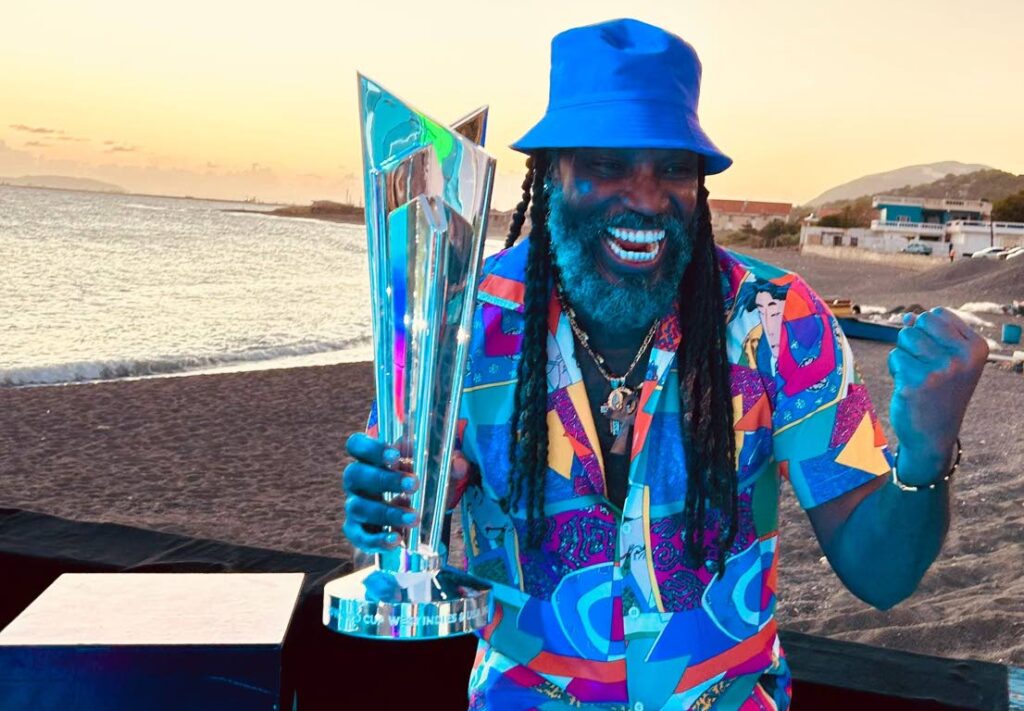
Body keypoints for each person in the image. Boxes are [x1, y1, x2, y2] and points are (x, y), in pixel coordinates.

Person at [342, 18, 988, 710]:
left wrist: (926, 452)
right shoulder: (460, 326)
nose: (646, 198)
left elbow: (880, 574)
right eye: (606, 163)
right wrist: (396, 519)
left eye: (673, 167)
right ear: (551, 173)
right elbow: (401, 553)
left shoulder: (777, 322)